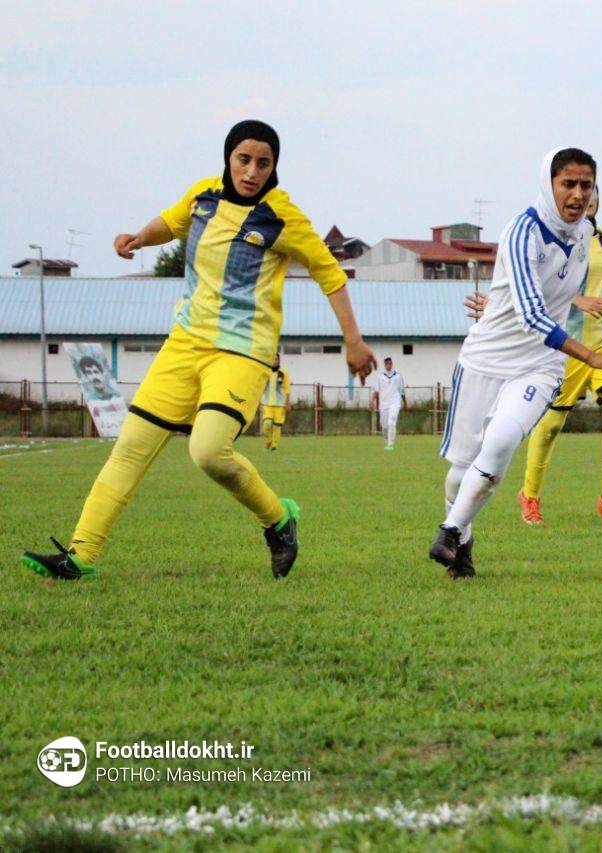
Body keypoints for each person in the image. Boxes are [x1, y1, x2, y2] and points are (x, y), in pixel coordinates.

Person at [20, 120, 376, 581]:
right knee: (129, 449)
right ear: (228, 158)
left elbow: (329, 274)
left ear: (274, 167)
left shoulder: (282, 216)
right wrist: (137, 239)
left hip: (242, 351)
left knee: (208, 451)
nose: (252, 171)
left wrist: (353, 340)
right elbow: (171, 222)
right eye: (243, 159)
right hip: (184, 345)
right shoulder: (203, 196)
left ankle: (279, 520)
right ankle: (80, 554)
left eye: (263, 163)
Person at [429, 147, 602, 579]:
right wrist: (590, 355)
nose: (577, 195)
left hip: (539, 365)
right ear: (548, 184)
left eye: (586, 185)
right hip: (484, 361)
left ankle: (448, 531)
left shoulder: (586, 233)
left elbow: (571, 292)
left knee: (501, 442)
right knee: (461, 471)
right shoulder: (523, 232)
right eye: (568, 184)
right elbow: (532, 314)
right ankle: (463, 543)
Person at [371, 357, 407, 450]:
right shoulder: (380, 376)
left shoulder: (398, 376)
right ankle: (387, 441)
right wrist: (372, 401)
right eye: (387, 364)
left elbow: (402, 391)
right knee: (384, 426)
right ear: (384, 365)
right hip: (383, 404)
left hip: (395, 403)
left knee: (391, 422)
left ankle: (391, 444)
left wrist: (405, 403)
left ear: (392, 364)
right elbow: (376, 390)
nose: (388, 366)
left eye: (390, 364)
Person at [261, 352, 291, 452]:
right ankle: (268, 440)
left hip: (280, 404)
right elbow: (260, 387)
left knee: (277, 426)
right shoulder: (265, 372)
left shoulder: (284, 373)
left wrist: (287, 402)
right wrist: (258, 402)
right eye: (273, 359)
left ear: (279, 361)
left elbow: (287, 388)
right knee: (267, 423)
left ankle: (274, 446)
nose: (274, 361)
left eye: (276, 359)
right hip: (267, 403)